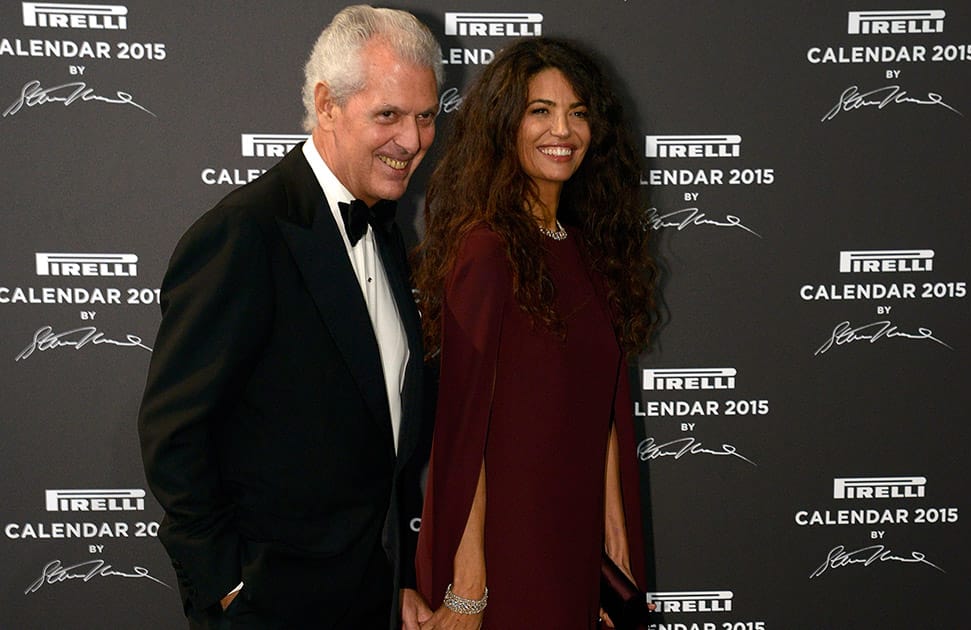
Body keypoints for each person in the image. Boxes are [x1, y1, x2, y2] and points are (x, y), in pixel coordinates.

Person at [137, 6, 441, 629]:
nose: (411, 141)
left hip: (369, 596)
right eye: (388, 115)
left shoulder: (384, 229)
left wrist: (398, 579)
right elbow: (175, 435)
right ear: (327, 105)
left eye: (426, 116)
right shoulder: (244, 232)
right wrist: (228, 588)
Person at [412, 38, 658, 629]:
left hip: (577, 547)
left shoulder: (588, 253)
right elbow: (462, 430)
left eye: (578, 112)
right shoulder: (486, 250)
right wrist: (469, 585)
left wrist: (614, 543)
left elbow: (597, 411)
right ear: (505, 125)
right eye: (540, 110)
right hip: (509, 550)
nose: (563, 129)